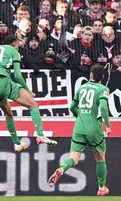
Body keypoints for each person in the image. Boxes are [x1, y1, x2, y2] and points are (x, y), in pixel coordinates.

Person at [0, 35, 57, 153]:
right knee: (33, 106)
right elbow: (17, 75)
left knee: (8, 114)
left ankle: (17, 143)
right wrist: (28, 90)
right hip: (3, 81)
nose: (19, 47)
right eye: (18, 44)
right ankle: (40, 135)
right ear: (14, 43)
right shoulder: (13, 51)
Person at [47, 64, 111, 196]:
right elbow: (103, 107)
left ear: (91, 74)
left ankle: (61, 169)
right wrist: (108, 126)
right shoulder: (103, 89)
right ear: (103, 77)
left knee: (73, 159)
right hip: (94, 128)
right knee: (100, 158)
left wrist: (80, 116)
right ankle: (101, 188)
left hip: (79, 127)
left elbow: (72, 106)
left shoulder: (82, 87)